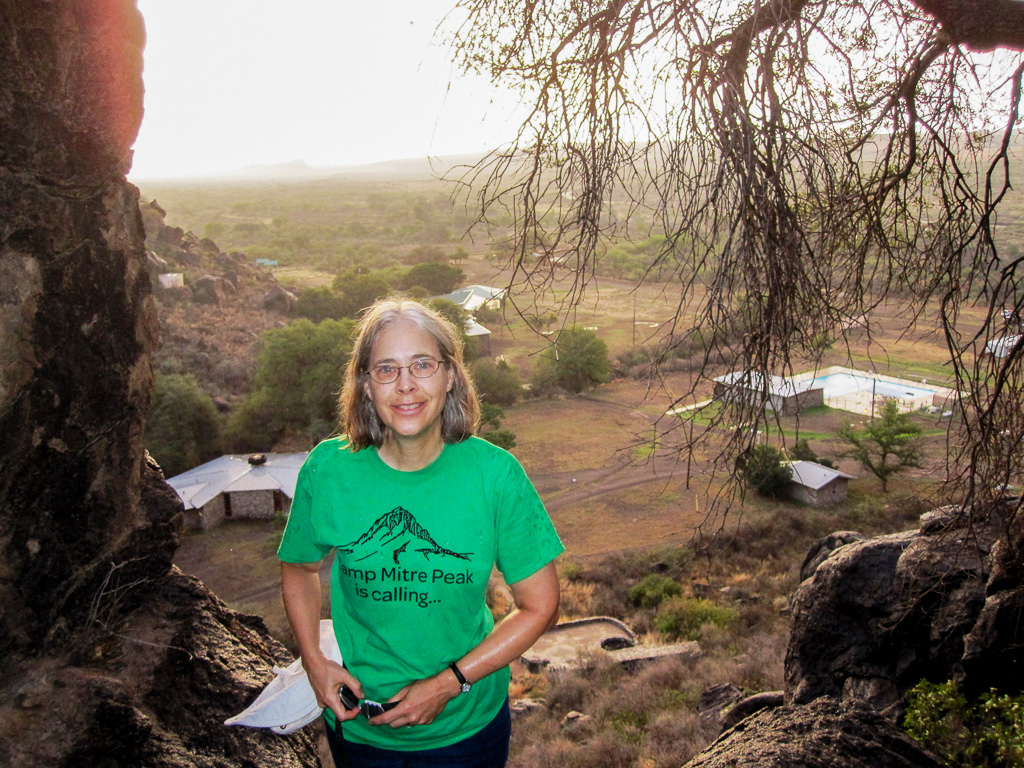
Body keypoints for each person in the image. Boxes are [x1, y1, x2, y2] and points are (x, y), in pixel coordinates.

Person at [278, 296, 563, 767]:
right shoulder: (328, 470)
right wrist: (314, 661)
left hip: (465, 731)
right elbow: (300, 567)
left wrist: (449, 682)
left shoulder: (495, 475)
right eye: (386, 369)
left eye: (422, 365)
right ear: (365, 385)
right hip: (359, 732)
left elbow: (540, 605)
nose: (405, 386)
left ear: (450, 376)